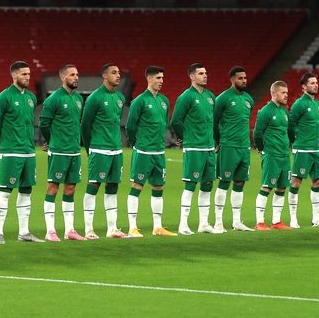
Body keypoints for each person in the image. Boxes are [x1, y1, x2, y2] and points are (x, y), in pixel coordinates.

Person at [0, 61, 44, 244]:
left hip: (28, 151)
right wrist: (1, 148)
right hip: (11, 151)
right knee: (5, 192)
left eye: (28, 74)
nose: (27, 77)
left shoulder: (31, 98)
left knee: (26, 192)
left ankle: (24, 232)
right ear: (14, 76)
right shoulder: (3, 97)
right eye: (23, 74)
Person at [125, 66, 177, 237]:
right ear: (149, 79)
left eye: (162, 78)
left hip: (159, 151)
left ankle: (157, 227)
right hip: (143, 151)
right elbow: (130, 126)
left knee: (158, 186)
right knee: (137, 186)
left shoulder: (164, 101)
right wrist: (136, 143)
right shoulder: (139, 101)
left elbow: (165, 122)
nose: (161, 81)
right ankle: (132, 226)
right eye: (158, 78)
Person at [38, 64, 88, 242]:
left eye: (77, 74)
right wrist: (52, 141)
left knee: (71, 188)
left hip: (74, 151)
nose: (76, 77)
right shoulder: (54, 99)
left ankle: (69, 230)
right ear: (62, 77)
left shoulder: (78, 100)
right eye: (72, 75)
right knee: (53, 188)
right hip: (58, 151)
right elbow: (43, 122)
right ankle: (50, 230)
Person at [81, 63, 128, 239]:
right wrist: (89, 148)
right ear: (104, 76)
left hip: (116, 150)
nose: (118, 75)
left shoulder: (120, 98)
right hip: (99, 149)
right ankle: (89, 229)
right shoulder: (95, 98)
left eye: (119, 72)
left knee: (112, 187)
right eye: (114, 72)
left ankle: (112, 228)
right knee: (93, 186)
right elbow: (85, 125)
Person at [171, 63, 219, 235]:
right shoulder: (186, 97)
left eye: (205, 73)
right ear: (192, 77)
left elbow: (213, 122)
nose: (205, 76)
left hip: (208, 148)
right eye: (201, 73)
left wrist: (215, 140)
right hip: (193, 148)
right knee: (191, 185)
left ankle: (204, 223)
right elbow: (176, 120)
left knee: (207, 184)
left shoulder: (210, 97)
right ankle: (183, 224)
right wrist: (184, 138)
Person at [212, 66, 254, 232]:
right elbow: (214, 122)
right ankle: (218, 221)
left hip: (244, 147)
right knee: (224, 181)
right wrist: (218, 141)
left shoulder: (249, 99)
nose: (243, 81)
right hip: (228, 146)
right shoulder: (223, 98)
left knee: (240, 182)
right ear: (232, 80)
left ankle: (237, 221)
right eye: (240, 78)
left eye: (245, 78)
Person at [288, 72, 319, 229]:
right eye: (312, 83)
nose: (316, 85)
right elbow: (290, 124)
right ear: (304, 87)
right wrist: (295, 141)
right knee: (296, 182)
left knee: (317, 181)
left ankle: (316, 218)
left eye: (316, 82)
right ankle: (293, 218)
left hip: (316, 149)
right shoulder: (299, 104)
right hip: (302, 149)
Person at [252, 81, 293, 231]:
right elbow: (257, 133)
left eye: (287, 93)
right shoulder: (265, 111)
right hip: (272, 155)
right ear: (274, 94)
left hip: (284, 155)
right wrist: (262, 150)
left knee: (282, 187)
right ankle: (260, 222)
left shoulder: (284, 112)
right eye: (283, 92)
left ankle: (276, 221)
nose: (286, 95)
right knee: (267, 187)